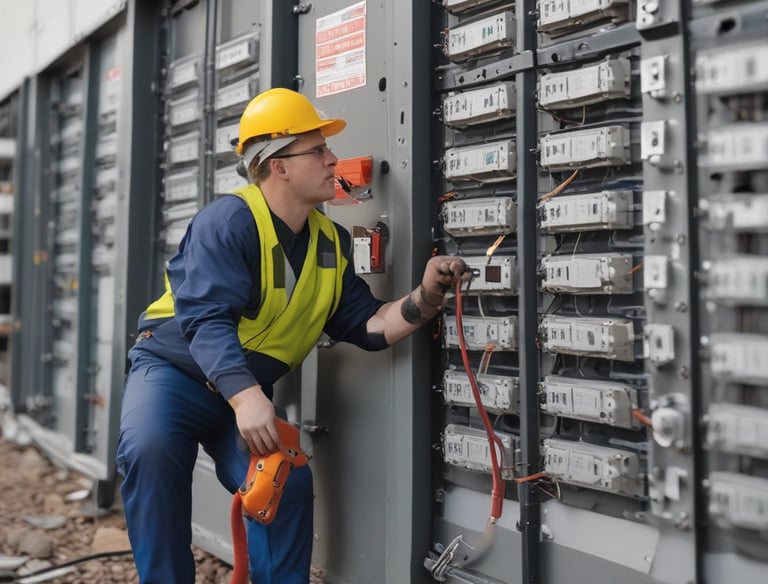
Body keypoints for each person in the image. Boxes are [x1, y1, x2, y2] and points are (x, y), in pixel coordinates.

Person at [116, 87, 467, 583]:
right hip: (174, 374)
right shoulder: (229, 221)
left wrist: (426, 295)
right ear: (278, 165)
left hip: (242, 394)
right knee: (150, 453)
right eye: (318, 149)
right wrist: (245, 398)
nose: (333, 159)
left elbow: (368, 325)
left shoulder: (330, 242)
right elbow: (207, 318)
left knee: (286, 481)